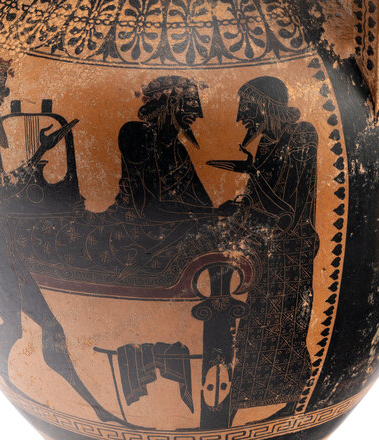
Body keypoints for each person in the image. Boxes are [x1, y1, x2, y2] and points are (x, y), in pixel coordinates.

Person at [0, 56, 119, 424]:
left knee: (47, 328)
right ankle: (85, 406)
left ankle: (96, 410)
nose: (4, 94)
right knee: (18, 327)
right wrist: (40, 154)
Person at [208, 76, 319, 419]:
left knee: (286, 324)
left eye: (248, 107)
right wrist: (236, 209)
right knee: (256, 324)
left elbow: (289, 208)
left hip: (290, 247)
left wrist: (252, 171)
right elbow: (258, 199)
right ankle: (248, 403)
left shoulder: (302, 135)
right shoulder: (266, 143)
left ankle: (293, 399)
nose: (242, 117)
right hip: (264, 249)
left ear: (266, 104)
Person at [115, 75, 214, 218]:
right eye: (187, 106)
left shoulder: (178, 149)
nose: (195, 115)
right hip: (139, 220)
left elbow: (201, 201)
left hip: (172, 220)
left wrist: (213, 213)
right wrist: (213, 212)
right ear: (171, 104)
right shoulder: (137, 134)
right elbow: (147, 205)